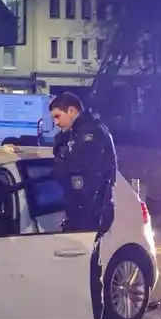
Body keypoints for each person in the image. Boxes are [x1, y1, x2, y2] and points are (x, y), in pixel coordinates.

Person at [49, 91, 118, 234]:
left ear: (71, 110)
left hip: (91, 210)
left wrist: (62, 158)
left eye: (57, 116)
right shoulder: (75, 132)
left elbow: (74, 164)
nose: (56, 122)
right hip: (84, 209)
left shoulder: (91, 132)